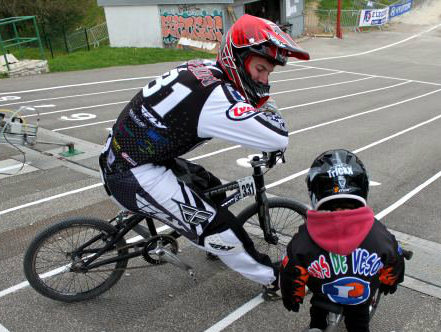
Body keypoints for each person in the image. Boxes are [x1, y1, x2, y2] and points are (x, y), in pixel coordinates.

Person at [98, 15, 310, 296]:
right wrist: (271, 128)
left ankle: (205, 240)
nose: (264, 78)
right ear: (239, 57)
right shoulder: (215, 98)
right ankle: (273, 280)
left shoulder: (204, 68)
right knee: (221, 230)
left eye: (269, 73)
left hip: (127, 156)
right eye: (261, 69)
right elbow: (275, 136)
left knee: (213, 189)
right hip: (133, 176)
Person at [280, 149, 405, 332]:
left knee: (317, 310)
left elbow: (290, 269)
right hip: (358, 293)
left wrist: (293, 295)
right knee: (359, 318)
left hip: (324, 292)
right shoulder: (379, 234)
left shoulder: (305, 237)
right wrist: (389, 280)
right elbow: (394, 259)